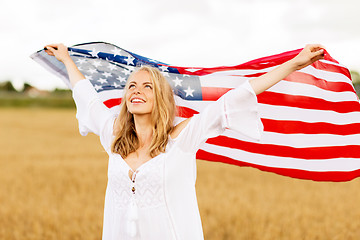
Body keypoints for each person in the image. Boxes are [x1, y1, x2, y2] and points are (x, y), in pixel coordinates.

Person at [44, 43, 324, 240]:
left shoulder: (183, 137)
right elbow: (86, 96)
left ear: (160, 99)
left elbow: (236, 97)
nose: (137, 91)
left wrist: (294, 64)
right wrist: (67, 59)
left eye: (147, 87)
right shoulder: (114, 137)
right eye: (132, 86)